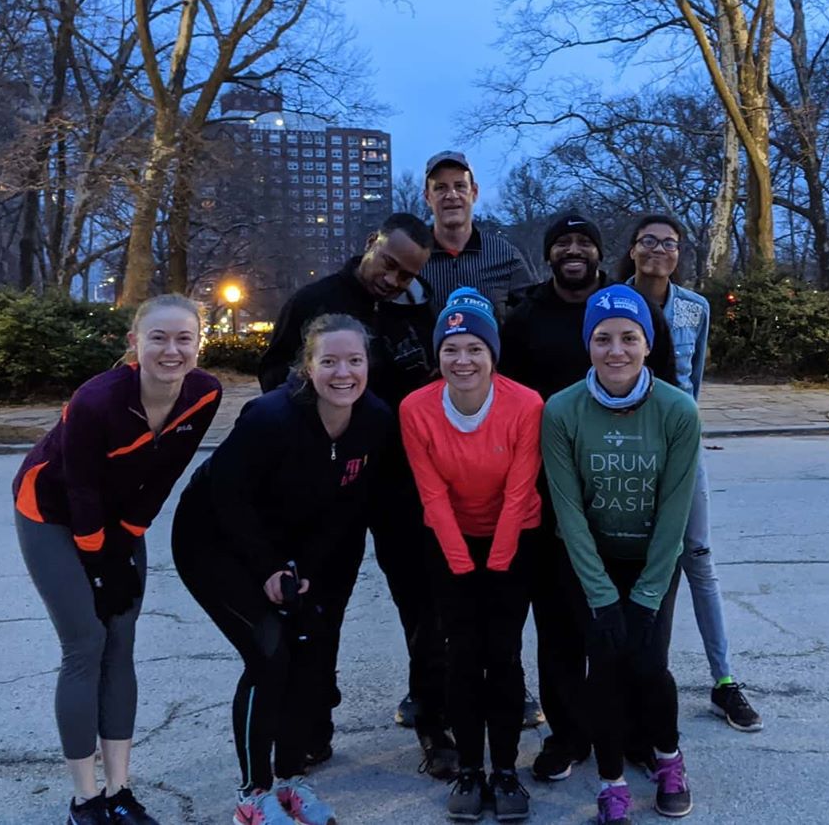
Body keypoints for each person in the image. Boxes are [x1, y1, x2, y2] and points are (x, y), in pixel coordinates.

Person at [259, 213, 460, 779]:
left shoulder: (418, 311)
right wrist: (320, 396)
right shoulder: (314, 299)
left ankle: (433, 718)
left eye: (406, 273)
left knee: (424, 607)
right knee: (320, 604)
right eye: (388, 264)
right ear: (371, 245)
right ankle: (312, 726)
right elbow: (271, 368)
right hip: (330, 478)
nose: (392, 278)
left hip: (401, 482)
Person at [172, 314, 392, 825]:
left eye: (354, 361)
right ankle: (254, 792)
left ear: (367, 364)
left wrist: (305, 571)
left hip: (291, 551)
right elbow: (228, 499)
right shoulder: (269, 418)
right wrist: (269, 568)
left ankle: (291, 781)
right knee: (269, 651)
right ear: (306, 368)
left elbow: (346, 507)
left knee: (309, 651)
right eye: (329, 361)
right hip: (214, 543)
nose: (344, 373)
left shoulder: (374, 420)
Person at [13, 294, 222, 825]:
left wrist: (125, 541)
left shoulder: (205, 394)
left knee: (121, 640)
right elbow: (80, 488)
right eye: (158, 338)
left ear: (199, 344)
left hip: (117, 520)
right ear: (135, 344)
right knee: (85, 641)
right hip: (52, 512)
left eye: (184, 338)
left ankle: (119, 790)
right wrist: (97, 562)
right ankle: (86, 800)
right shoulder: (96, 399)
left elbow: (164, 476)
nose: (171, 350)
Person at [501, 212, 677, 785]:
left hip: (629, 493)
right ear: (548, 254)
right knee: (559, 628)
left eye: (584, 242)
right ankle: (570, 733)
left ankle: (633, 733)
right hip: (555, 493)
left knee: (630, 627)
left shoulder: (633, 310)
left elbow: (669, 391)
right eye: (562, 243)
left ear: (601, 255)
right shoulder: (527, 319)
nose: (573, 250)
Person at [542, 284, 700, 822]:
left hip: (653, 558)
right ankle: (610, 783)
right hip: (591, 562)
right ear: (588, 344)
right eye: (603, 338)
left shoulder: (678, 410)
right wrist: (602, 595)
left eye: (629, 338)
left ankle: (668, 757)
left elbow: (676, 511)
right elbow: (568, 510)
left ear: (647, 343)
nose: (616, 351)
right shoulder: (562, 410)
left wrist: (649, 593)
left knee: (650, 664)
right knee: (604, 666)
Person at [400, 287, 543, 822]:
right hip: (448, 539)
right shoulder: (416, 409)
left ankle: (504, 769)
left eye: (474, 349)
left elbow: (520, 489)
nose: (463, 360)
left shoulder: (525, 404)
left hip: (513, 537)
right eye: (451, 349)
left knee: (502, 653)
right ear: (438, 355)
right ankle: (468, 769)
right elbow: (431, 493)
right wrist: (462, 567)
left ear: (492, 354)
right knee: (461, 654)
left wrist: (498, 563)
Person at [618, 214, 763, 733]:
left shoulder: (694, 308)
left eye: (670, 243)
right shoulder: (613, 300)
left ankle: (724, 680)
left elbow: (692, 378)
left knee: (698, 557)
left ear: (681, 253)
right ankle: (621, 683)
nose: (659, 250)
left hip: (680, 444)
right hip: (624, 445)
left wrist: (685, 432)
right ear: (632, 249)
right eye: (649, 241)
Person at [421, 150, 540, 319]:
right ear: (427, 197)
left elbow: (532, 320)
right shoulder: (413, 259)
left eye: (460, 186)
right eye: (440, 188)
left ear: (474, 192)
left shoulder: (505, 255)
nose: (452, 195)